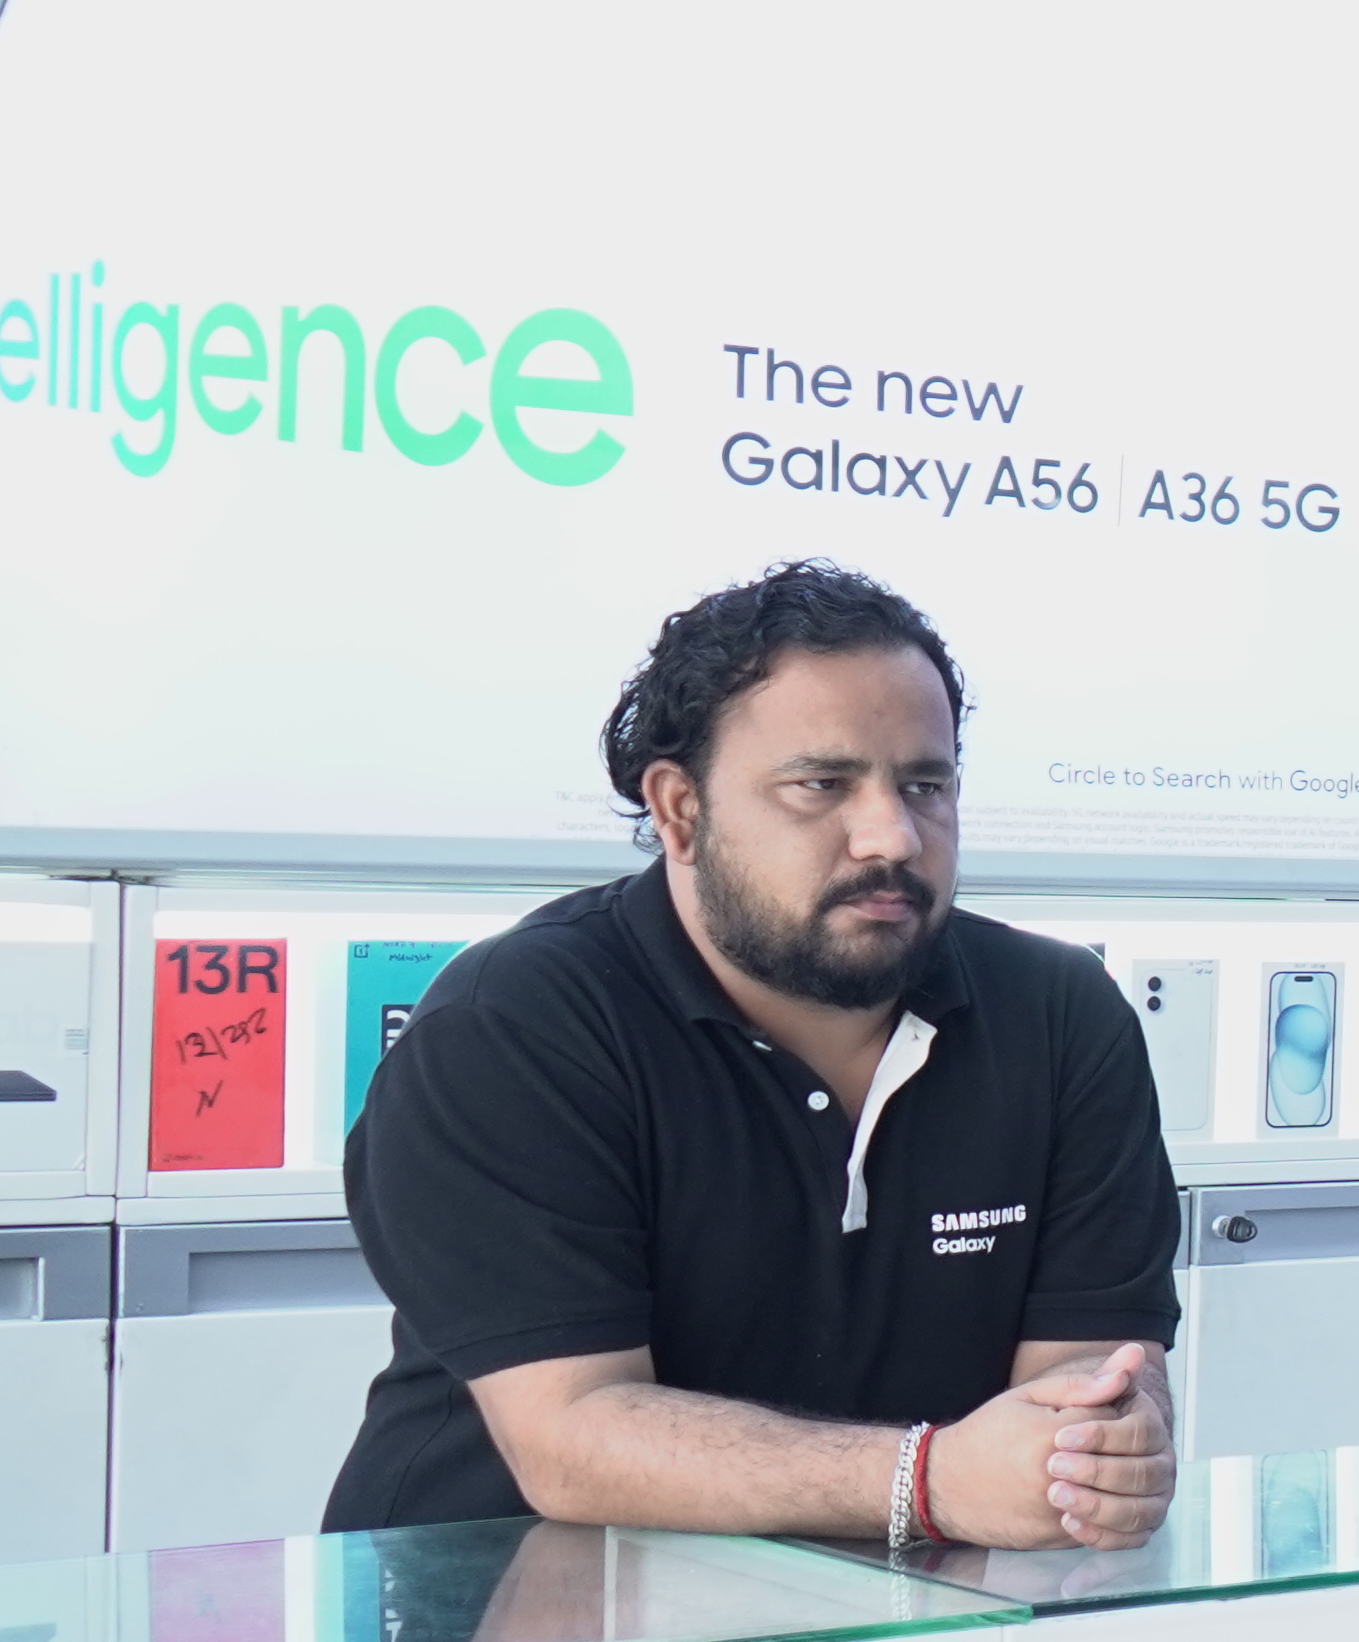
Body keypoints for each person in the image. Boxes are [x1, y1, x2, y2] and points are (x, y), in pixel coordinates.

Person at [327, 565, 1183, 1552]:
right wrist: (928, 1480)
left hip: (895, 1615)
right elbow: (571, 1434)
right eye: (822, 785)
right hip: (498, 1610)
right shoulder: (515, 1026)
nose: (892, 837)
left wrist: (1099, 1449)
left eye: (926, 785)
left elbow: (1090, 1376)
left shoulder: (1062, 1016)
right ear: (679, 810)